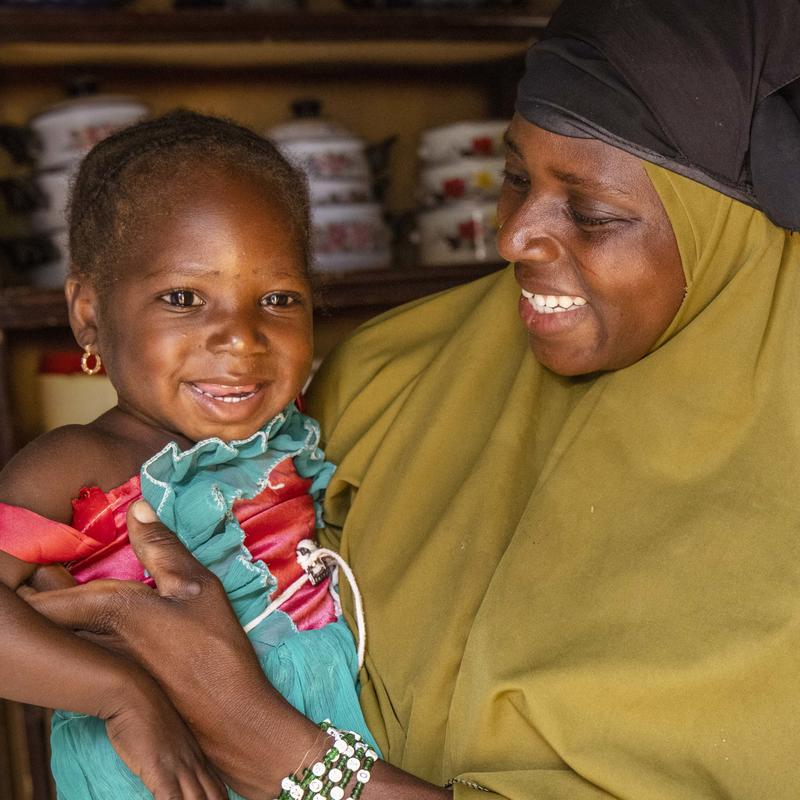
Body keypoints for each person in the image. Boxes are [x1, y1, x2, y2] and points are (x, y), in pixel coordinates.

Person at [23, 0, 800, 797]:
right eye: (513, 178)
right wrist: (110, 672)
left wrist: (265, 741)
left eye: (593, 214)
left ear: (725, 233)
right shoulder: (394, 374)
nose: (512, 238)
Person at [0, 110, 376, 800]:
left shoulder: (303, 442)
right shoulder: (79, 464)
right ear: (88, 313)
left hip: (321, 757)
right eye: (183, 298)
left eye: (278, 298)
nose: (241, 337)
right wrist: (121, 694)